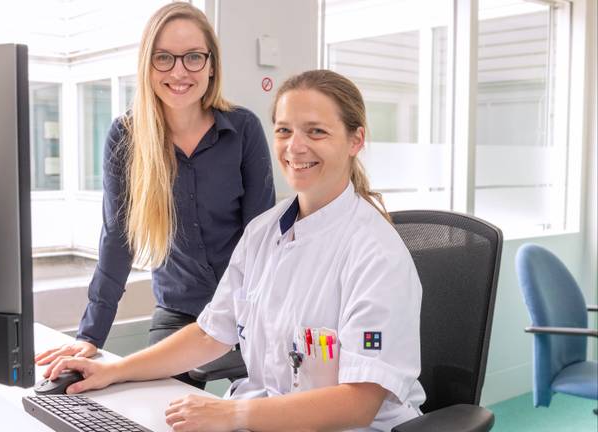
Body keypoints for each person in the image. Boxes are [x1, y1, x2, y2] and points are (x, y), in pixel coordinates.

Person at [42, 69, 426, 432]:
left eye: (317, 131)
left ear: (355, 140)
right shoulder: (263, 234)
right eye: (284, 130)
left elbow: (359, 404)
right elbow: (211, 334)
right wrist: (114, 370)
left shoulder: (376, 254)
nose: (295, 146)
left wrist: (232, 413)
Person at [35, 2, 275, 388]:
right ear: (147, 65)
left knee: (264, 407)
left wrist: (249, 315)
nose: (179, 72)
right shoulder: (125, 138)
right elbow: (118, 240)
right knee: (157, 408)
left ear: (211, 65)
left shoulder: (243, 129)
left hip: (250, 307)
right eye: (164, 58)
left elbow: (260, 238)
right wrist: (89, 337)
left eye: (193, 57)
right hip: (180, 311)